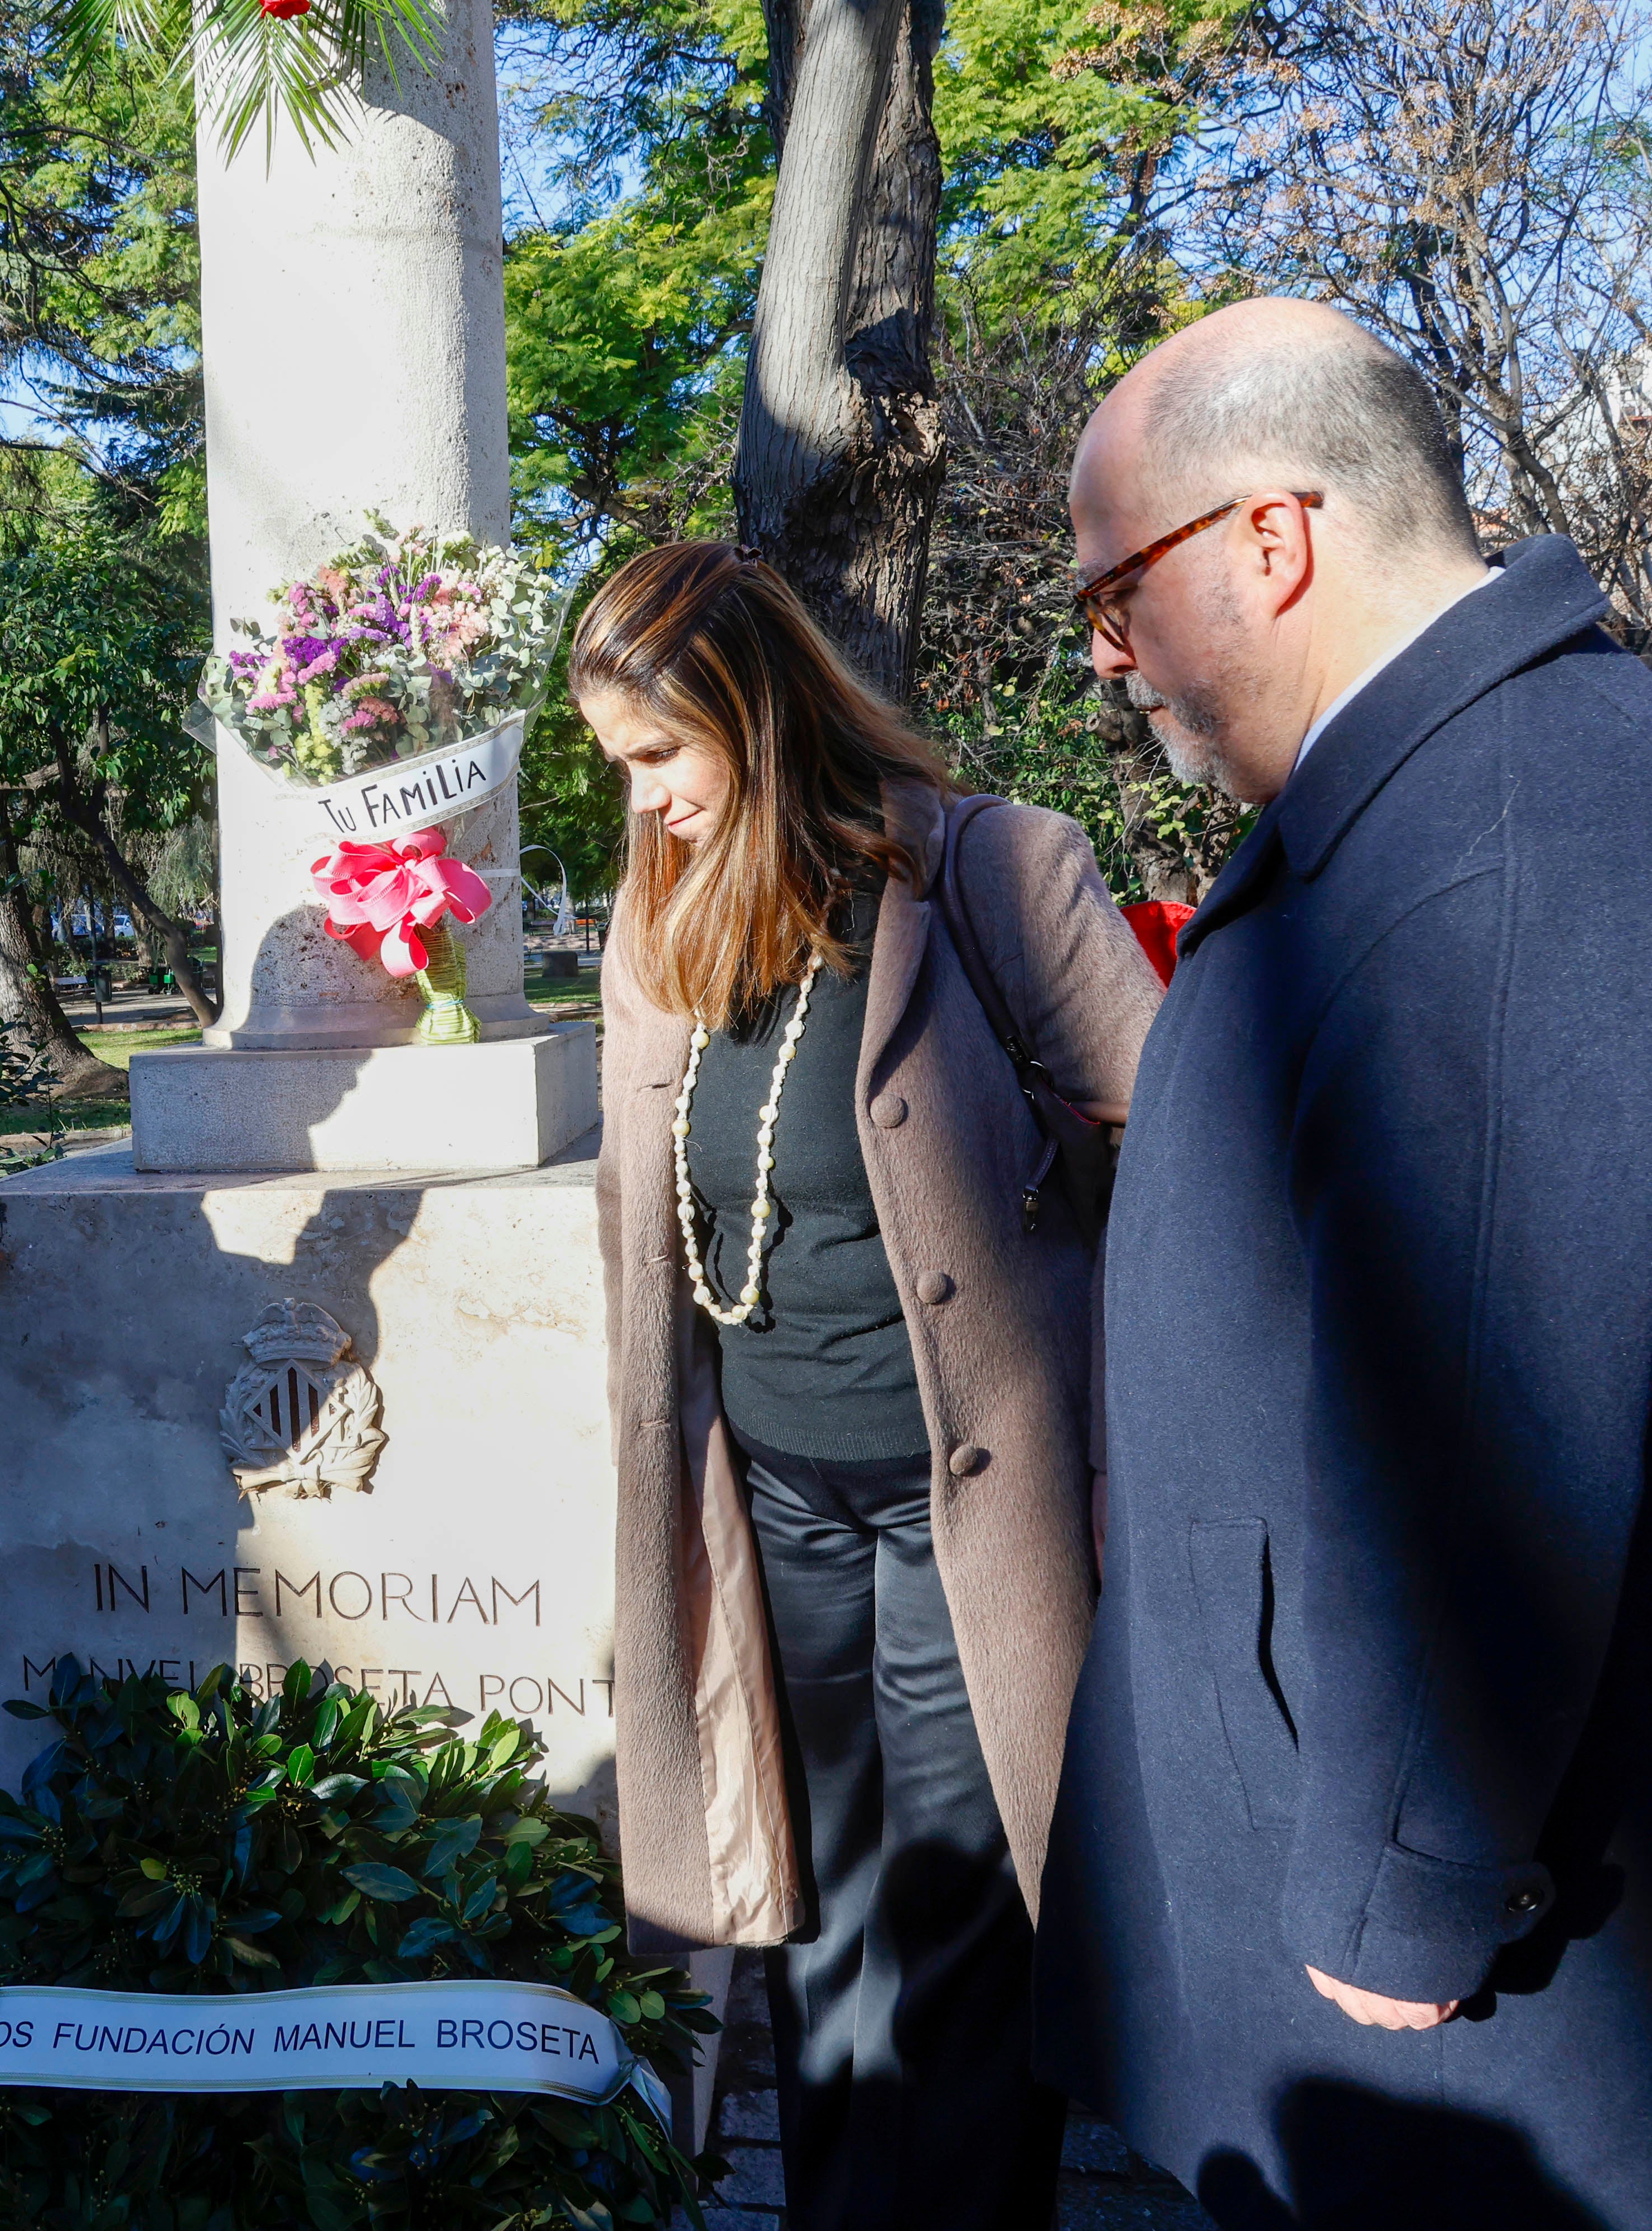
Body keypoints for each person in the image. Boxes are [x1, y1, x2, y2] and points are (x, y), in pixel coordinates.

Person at [1036, 298, 1652, 2227]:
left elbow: (1490, 1413)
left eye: (1119, 590)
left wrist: (1410, 1874)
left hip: (1503, 2002)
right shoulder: (1438, 788)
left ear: (1270, 539)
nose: (1110, 657)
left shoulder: (1522, 833)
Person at [577, 543, 1163, 2230]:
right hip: (775, 1499)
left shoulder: (989, 871)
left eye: (657, 755)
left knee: (965, 1914)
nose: (641, 799)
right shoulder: (656, 922)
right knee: (819, 1911)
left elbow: (1174, 1163)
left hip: (966, 1500)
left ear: (752, 714)